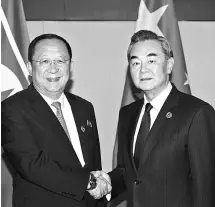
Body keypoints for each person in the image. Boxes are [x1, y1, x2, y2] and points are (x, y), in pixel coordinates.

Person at [92, 30, 215, 207]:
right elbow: (130, 172)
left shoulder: (197, 112)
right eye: (135, 63)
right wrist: (107, 183)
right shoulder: (127, 113)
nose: (143, 69)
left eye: (151, 60)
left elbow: (206, 188)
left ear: (170, 65)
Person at [1, 33, 111, 207]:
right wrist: (89, 183)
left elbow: (93, 163)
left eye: (60, 61)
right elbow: (32, 165)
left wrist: (100, 187)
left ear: (70, 66)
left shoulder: (84, 108)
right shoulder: (12, 108)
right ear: (30, 67)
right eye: (44, 61)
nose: (53, 69)